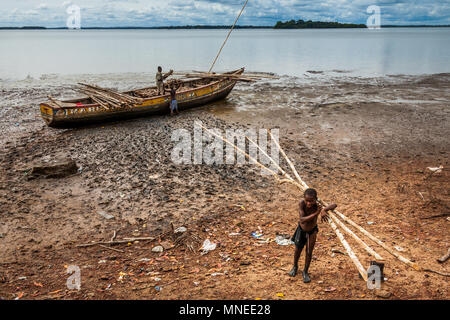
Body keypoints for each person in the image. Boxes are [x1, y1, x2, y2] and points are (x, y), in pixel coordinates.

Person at [288, 188, 337, 283]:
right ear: (304, 199)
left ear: (315, 199)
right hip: (301, 230)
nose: (309, 203)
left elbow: (335, 205)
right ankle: (295, 266)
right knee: (297, 249)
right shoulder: (302, 203)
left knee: (309, 251)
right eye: (307, 201)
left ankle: (305, 272)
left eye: (311, 201)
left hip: (312, 231)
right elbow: (302, 219)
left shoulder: (318, 205)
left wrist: (324, 210)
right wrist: (317, 213)